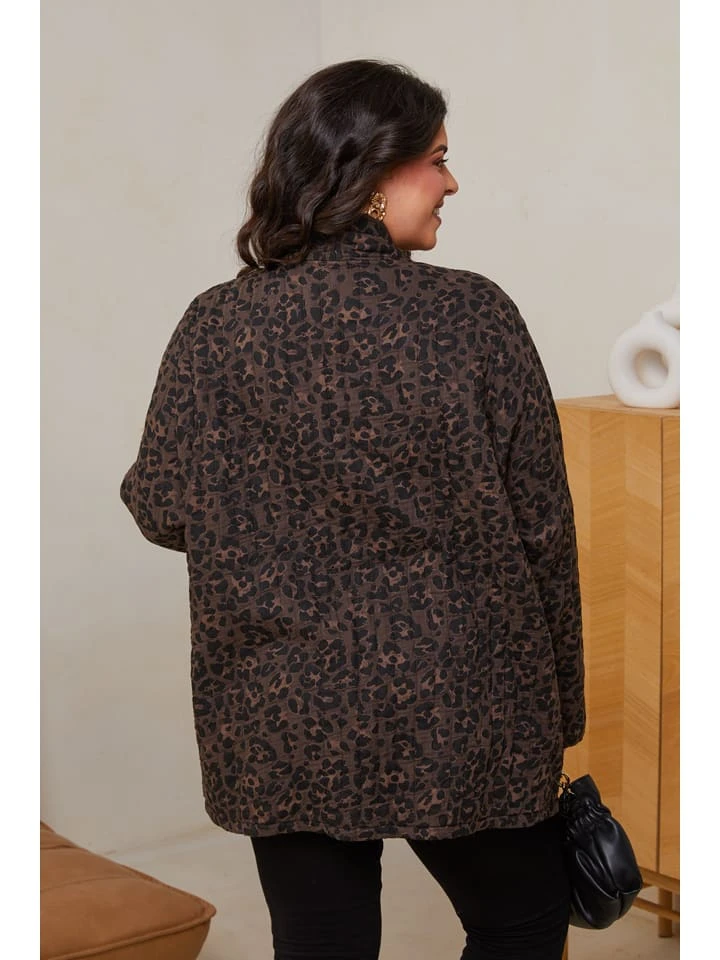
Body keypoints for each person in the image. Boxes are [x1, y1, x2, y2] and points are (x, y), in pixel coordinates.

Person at [121, 59, 585, 960]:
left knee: (320, 941)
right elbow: (543, 532)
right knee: (522, 922)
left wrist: (273, 511)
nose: (452, 182)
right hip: (462, 697)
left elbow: (161, 506)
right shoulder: (474, 316)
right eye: (437, 159)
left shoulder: (216, 325)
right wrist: (555, 714)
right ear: (373, 171)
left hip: (284, 703)